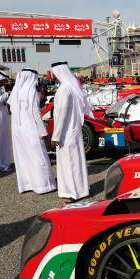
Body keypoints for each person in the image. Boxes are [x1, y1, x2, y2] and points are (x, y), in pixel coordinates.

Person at [8, 69, 56, 194]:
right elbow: (35, 112)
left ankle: (28, 183)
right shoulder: (31, 91)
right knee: (39, 155)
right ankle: (43, 185)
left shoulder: (16, 91)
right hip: (31, 127)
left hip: (18, 129)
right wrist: (43, 130)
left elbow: (11, 108)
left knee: (24, 156)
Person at [50, 61, 92, 202]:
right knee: (76, 162)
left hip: (66, 133)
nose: (54, 77)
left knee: (69, 164)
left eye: (54, 74)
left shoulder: (64, 89)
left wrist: (56, 135)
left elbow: (62, 113)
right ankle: (81, 190)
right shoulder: (71, 87)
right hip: (73, 130)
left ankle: (72, 193)